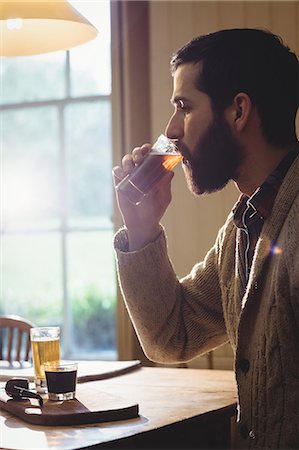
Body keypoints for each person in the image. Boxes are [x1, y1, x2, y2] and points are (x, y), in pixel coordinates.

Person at [112, 28, 299, 449]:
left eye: (184, 106)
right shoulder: (241, 231)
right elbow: (172, 336)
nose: (171, 129)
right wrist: (141, 230)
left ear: (239, 111)